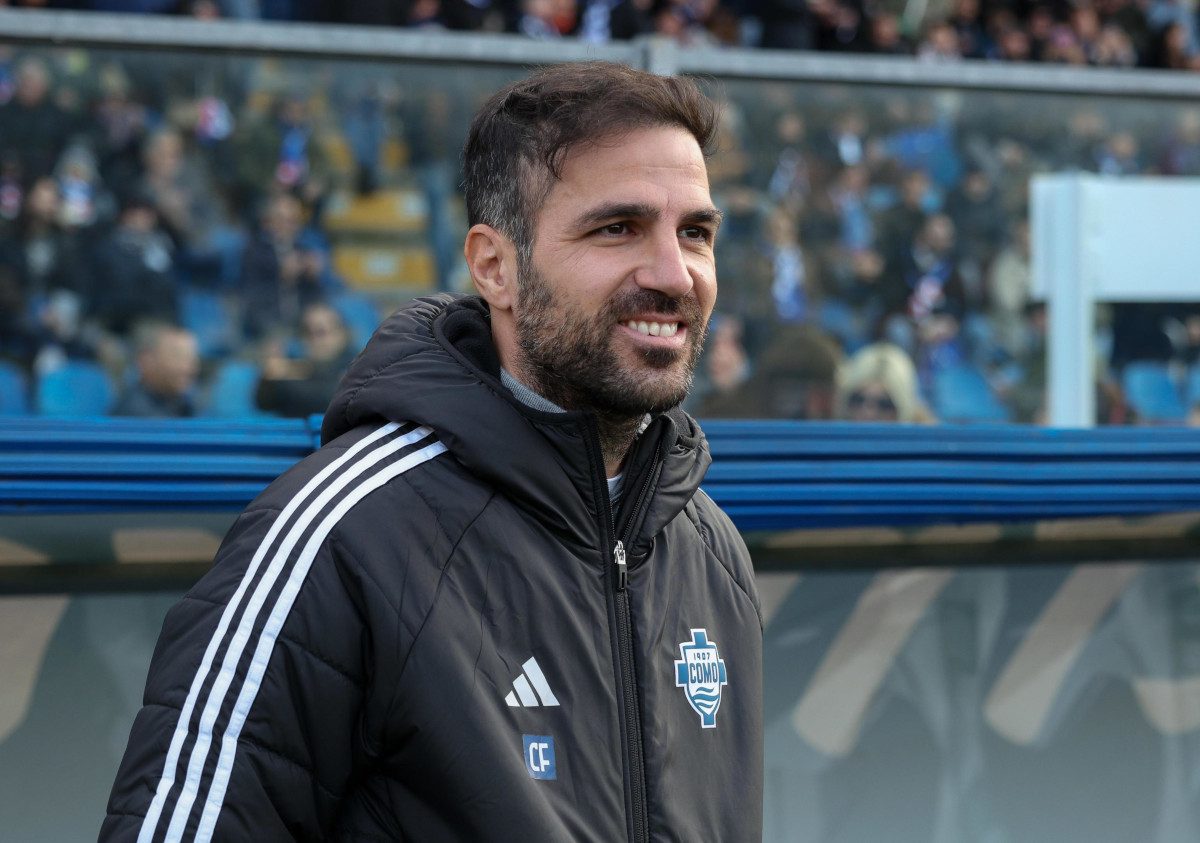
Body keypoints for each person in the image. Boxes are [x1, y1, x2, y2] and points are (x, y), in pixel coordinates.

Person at [102, 62, 763, 841]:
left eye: (695, 232)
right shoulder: (339, 535)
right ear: (494, 266)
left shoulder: (713, 551)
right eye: (616, 228)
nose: (672, 272)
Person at [254, 302, 357, 418]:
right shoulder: (295, 364)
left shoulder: (357, 365)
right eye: (307, 333)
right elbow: (264, 404)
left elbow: (333, 400)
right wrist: (267, 380)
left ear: (342, 334)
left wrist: (297, 372)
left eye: (321, 332)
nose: (314, 340)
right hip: (295, 434)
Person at [111, 321, 200, 418]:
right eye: (177, 356)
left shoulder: (184, 404)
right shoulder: (133, 416)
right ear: (146, 361)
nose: (189, 368)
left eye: (190, 358)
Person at [834, 342, 934, 423]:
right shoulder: (829, 438)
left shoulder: (931, 443)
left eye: (884, 404)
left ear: (902, 407)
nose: (869, 414)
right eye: (858, 399)